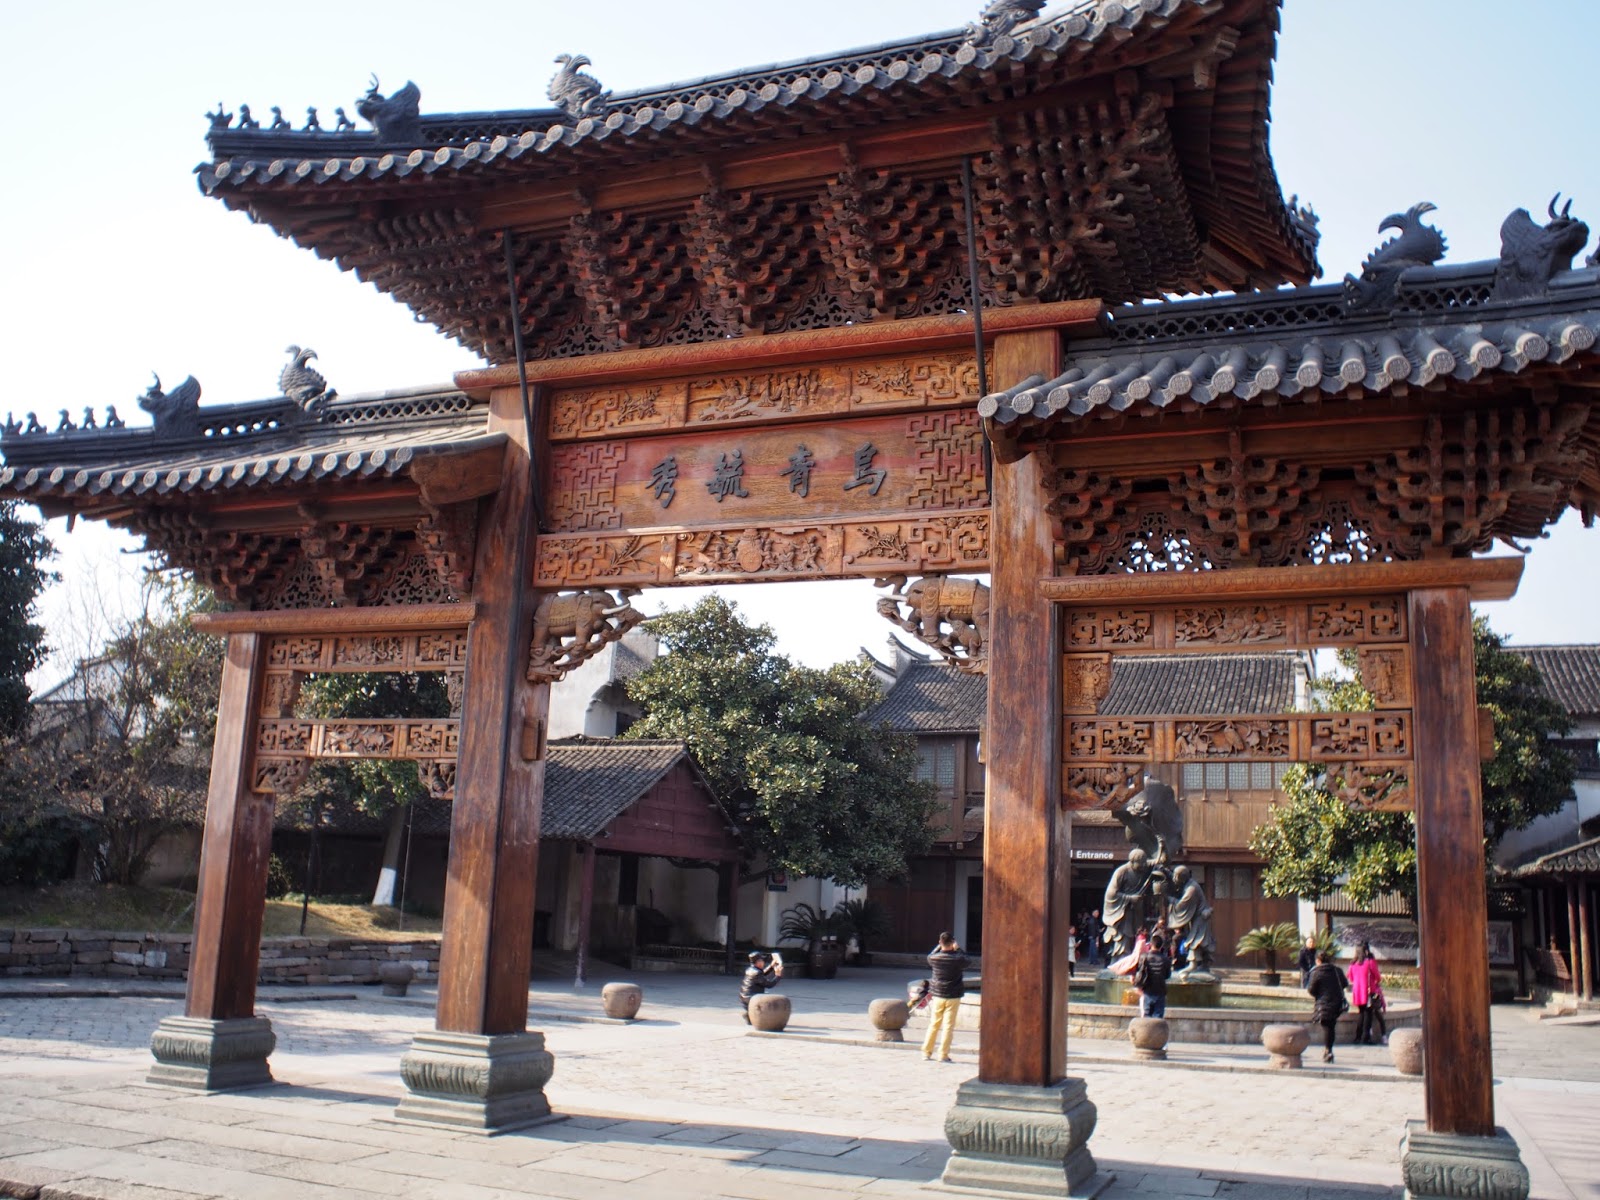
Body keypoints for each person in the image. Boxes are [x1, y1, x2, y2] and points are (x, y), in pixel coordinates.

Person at [923, 931, 969, 1062]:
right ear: (953, 943)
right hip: (953, 995)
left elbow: (929, 956)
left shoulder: (934, 958)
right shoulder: (958, 959)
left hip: (938, 995)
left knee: (934, 1024)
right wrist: (958, 949)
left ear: (940, 942)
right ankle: (943, 1054)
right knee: (948, 1026)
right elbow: (968, 960)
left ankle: (926, 1052)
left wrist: (938, 946)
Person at [1101, 848, 1153, 961]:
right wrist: (1130, 898)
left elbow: (1155, 862)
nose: (1143, 866)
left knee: (1137, 936)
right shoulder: (1121, 872)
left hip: (1137, 910)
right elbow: (1111, 893)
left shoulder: (1143, 867)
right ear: (1132, 861)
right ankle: (1121, 961)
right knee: (1124, 937)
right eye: (1140, 864)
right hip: (1124, 911)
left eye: (1144, 863)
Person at [1164, 865, 1215, 976]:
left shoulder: (1192, 889)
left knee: (1195, 941)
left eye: (1176, 877)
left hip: (1200, 919)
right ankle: (1203, 964)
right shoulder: (1188, 884)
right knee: (1199, 940)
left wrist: (1168, 898)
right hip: (1197, 919)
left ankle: (1193, 964)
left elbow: (1181, 905)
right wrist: (1166, 872)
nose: (1174, 879)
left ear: (1182, 877)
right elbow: (1174, 879)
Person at [1306, 949, 1349, 1062]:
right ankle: (1329, 1050)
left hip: (1323, 1003)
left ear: (1318, 960)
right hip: (1336, 1003)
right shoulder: (1337, 970)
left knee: (1327, 1027)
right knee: (1331, 1026)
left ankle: (1328, 1050)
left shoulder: (1316, 972)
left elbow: (1311, 989)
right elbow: (1345, 984)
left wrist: (1320, 994)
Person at [1349, 941, 1386, 1045]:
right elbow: (1378, 977)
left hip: (1358, 992)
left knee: (1361, 1013)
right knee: (1368, 1015)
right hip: (1369, 992)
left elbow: (1351, 978)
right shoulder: (1370, 962)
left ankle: (1357, 1037)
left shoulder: (1353, 964)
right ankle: (1366, 1038)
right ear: (1366, 950)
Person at [1133, 931, 1172, 1018]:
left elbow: (1139, 971)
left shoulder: (1144, 957)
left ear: (1150, 944)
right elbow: (1167, 975)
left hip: (1148, 990)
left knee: (1147, 1015)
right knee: (1158, 1017)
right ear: (1161, 946)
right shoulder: (1166, 959)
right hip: (1160, 991)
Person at [739, 950, 782, 1022]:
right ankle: (751, 1015)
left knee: (765, 995)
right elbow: (769, 984)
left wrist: (771, 966)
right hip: (751, 998)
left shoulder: (751, 970)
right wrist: (778, 976)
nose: (763, 962)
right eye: (762, 960)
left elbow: (762, 974)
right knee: (768, 999)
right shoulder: (757, 973)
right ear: (758, 962)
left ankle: (749, 1014)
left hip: (744, 997)